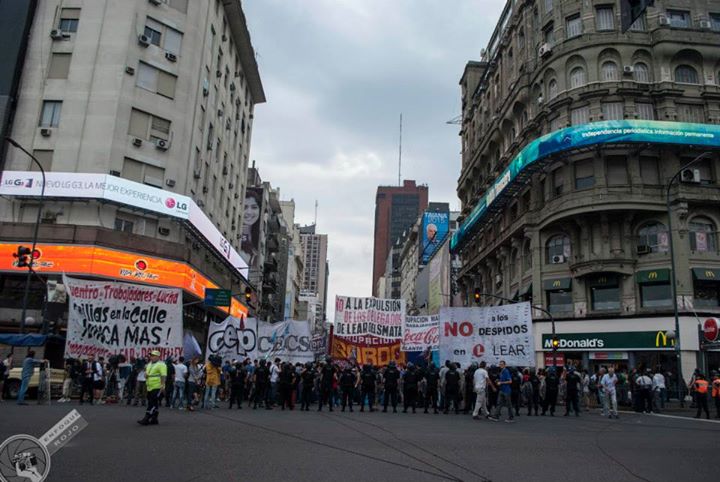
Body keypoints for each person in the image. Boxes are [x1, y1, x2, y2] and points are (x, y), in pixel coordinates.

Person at [137, 350, 167, 426]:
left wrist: (162, 386)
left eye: (153, 356)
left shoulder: (161, 364)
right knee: (154, 402)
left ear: (157, 357)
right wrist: (145, 375)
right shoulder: (149, 364)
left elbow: (163, 375)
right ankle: (154, 418)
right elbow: (146, 372)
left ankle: (146, 418)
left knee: (152, 402)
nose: (151, 357)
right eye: (151, 355)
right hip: (149, 386)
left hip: (157, 386)